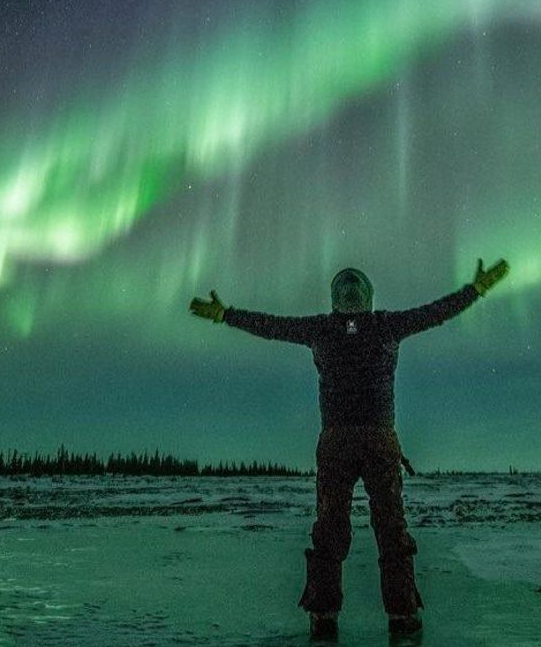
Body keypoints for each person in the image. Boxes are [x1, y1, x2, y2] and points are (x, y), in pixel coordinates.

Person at [189, 257, 509, 639]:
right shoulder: (383, 324)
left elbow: (272, 327)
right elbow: (436, 313)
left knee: (334, 530)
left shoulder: (324, 329)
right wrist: (474, 291)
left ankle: (327, 614)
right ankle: (399, 614)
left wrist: (226, 315)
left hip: (343, 442)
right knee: (386, 530)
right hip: (373, 440)